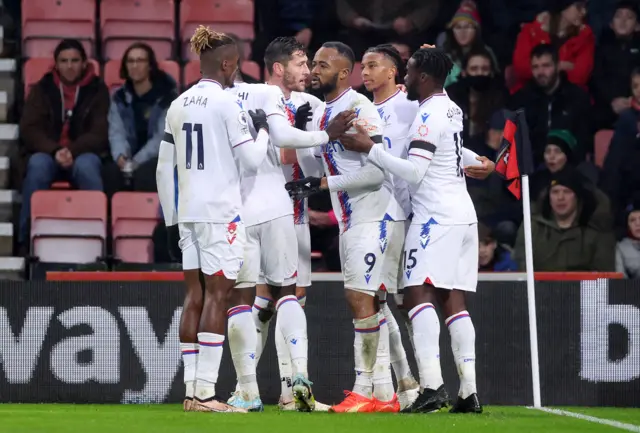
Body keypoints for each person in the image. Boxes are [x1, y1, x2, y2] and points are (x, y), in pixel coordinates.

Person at [339, 47, 483, 414]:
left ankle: (432, 387)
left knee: (417, 297)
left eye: (410, 72)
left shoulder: (427, 113)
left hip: (434, 216)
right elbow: (447, 150)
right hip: (463, 214)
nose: (405, 79)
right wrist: (476, 160)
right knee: (454, 303)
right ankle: (469, 392)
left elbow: (416, 171)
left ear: (422, 76)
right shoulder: (451, 107)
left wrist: (370, 149)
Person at [225, 40, 353, 412]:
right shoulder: (271, 99)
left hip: (273, 210)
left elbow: (315, 163)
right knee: (282, 297)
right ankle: (290, 385)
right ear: (278, 68)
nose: (308, 71)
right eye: (300, 63)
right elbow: (303, 156)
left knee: (266, 299)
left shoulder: (295, 103)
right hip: (277, 209)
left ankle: (269, 390)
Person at [288, 41, 408, 413]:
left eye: (322, 65)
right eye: (314, 64)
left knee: (360, 300)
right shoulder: (327, 111)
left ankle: (364, 389)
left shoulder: (359, 108)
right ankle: (386, 393)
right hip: (350, 219)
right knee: (370, 301)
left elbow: (375, 171)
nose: (314, 71)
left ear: (343, 72)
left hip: (372, 216)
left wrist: (324, 186)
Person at [155, 25, 270, 413]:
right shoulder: (227, 104)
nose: (235, 73)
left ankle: (190, 391)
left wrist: (171, 220)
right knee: (219, 295)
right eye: (235, 67)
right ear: (226, 64)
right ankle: (205, 392)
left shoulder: (178, 103)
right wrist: (264, 130)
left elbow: (161, 168)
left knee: (194, 295)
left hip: (187, 212)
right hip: (221, 213)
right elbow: (253, 160)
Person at [18, 39, 108, 254]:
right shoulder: (43, 88)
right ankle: (25, 240)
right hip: (48, 153)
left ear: (84, 63)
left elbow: (100, 132)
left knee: (88, 167)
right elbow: (29, 128)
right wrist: (55, 150)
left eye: (75, 60)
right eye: (64, 61)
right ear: (56, 64)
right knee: (37, 165)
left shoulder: (98, 90)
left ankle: (97, 242)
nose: (69, 66)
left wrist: (73, 151)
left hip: (82, 153)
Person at [105, 42, 178, 197]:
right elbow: (116, 131)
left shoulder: (167, 96)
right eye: (130, 61)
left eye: (140, 61)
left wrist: (136, 161)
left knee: (148, 172)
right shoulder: (119, 97)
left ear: (150, 66)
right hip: (129, 156)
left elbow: (162, 137)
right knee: (110, 171)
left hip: (157, 156)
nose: (135, 65)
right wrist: (121, 156)